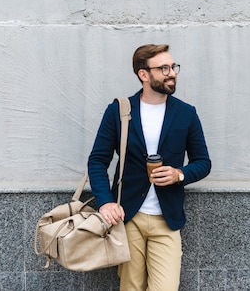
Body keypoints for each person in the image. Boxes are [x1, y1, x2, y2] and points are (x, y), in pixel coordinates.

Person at [88, 44, 212, 291]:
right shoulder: (120, 111)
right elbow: (97, 160)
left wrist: (180, 174)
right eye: (163, 68)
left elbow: (203, 162)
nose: (172, 73)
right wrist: (105, 201)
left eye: (173, 67)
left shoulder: (186, 113)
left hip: (166, 219)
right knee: (131, 287)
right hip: (127, 217)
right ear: (144, 74)